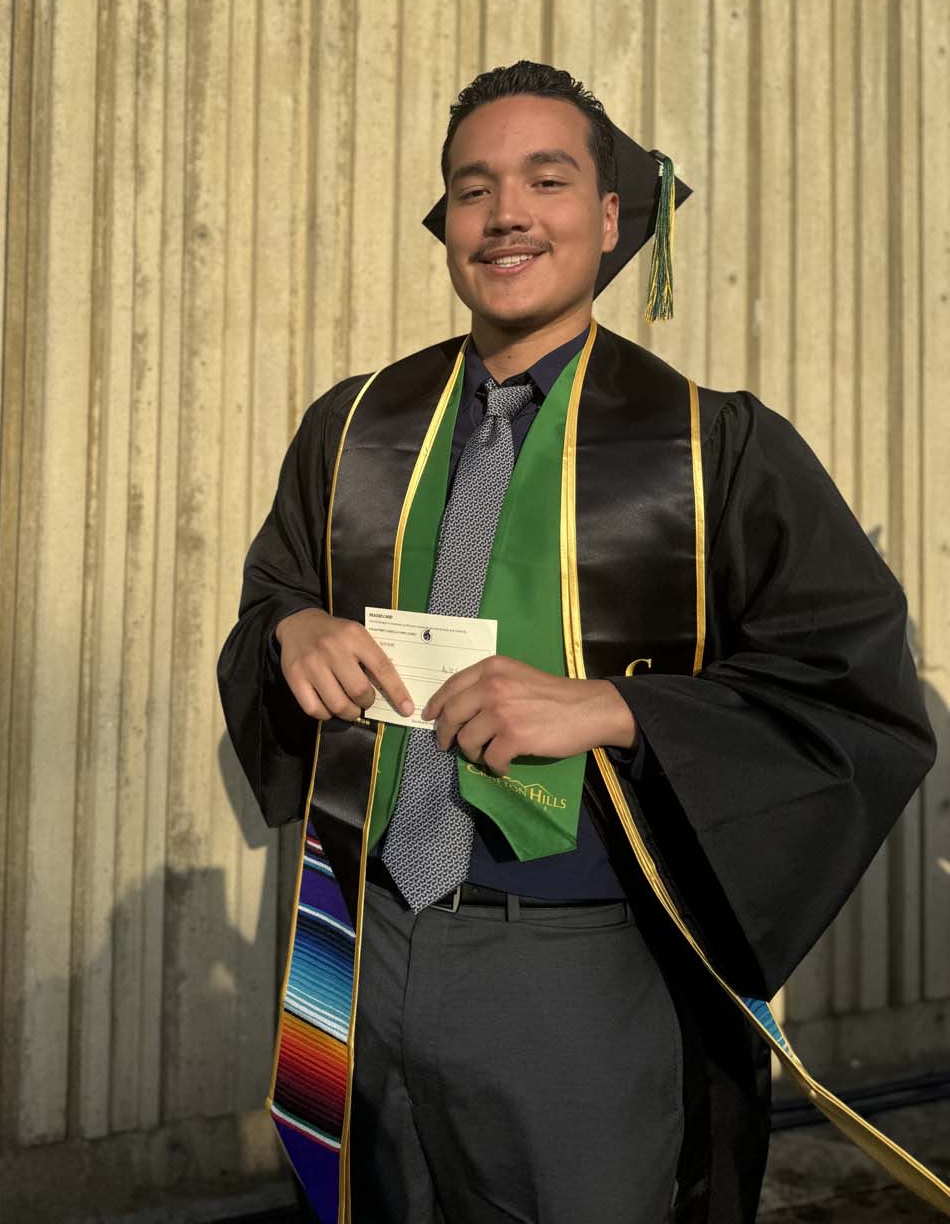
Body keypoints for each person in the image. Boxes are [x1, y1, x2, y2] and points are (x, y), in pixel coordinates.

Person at [217, 61, 940, 1224]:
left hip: (574, 968)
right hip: (359, 944)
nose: (506, 212)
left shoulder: (713, 453)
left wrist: (618, 708)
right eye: (473, 187)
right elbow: (270, 600)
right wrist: (292, 629)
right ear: (447, 225)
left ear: (611, 219)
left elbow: (855, 689)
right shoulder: (355, 427)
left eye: (547, 180)